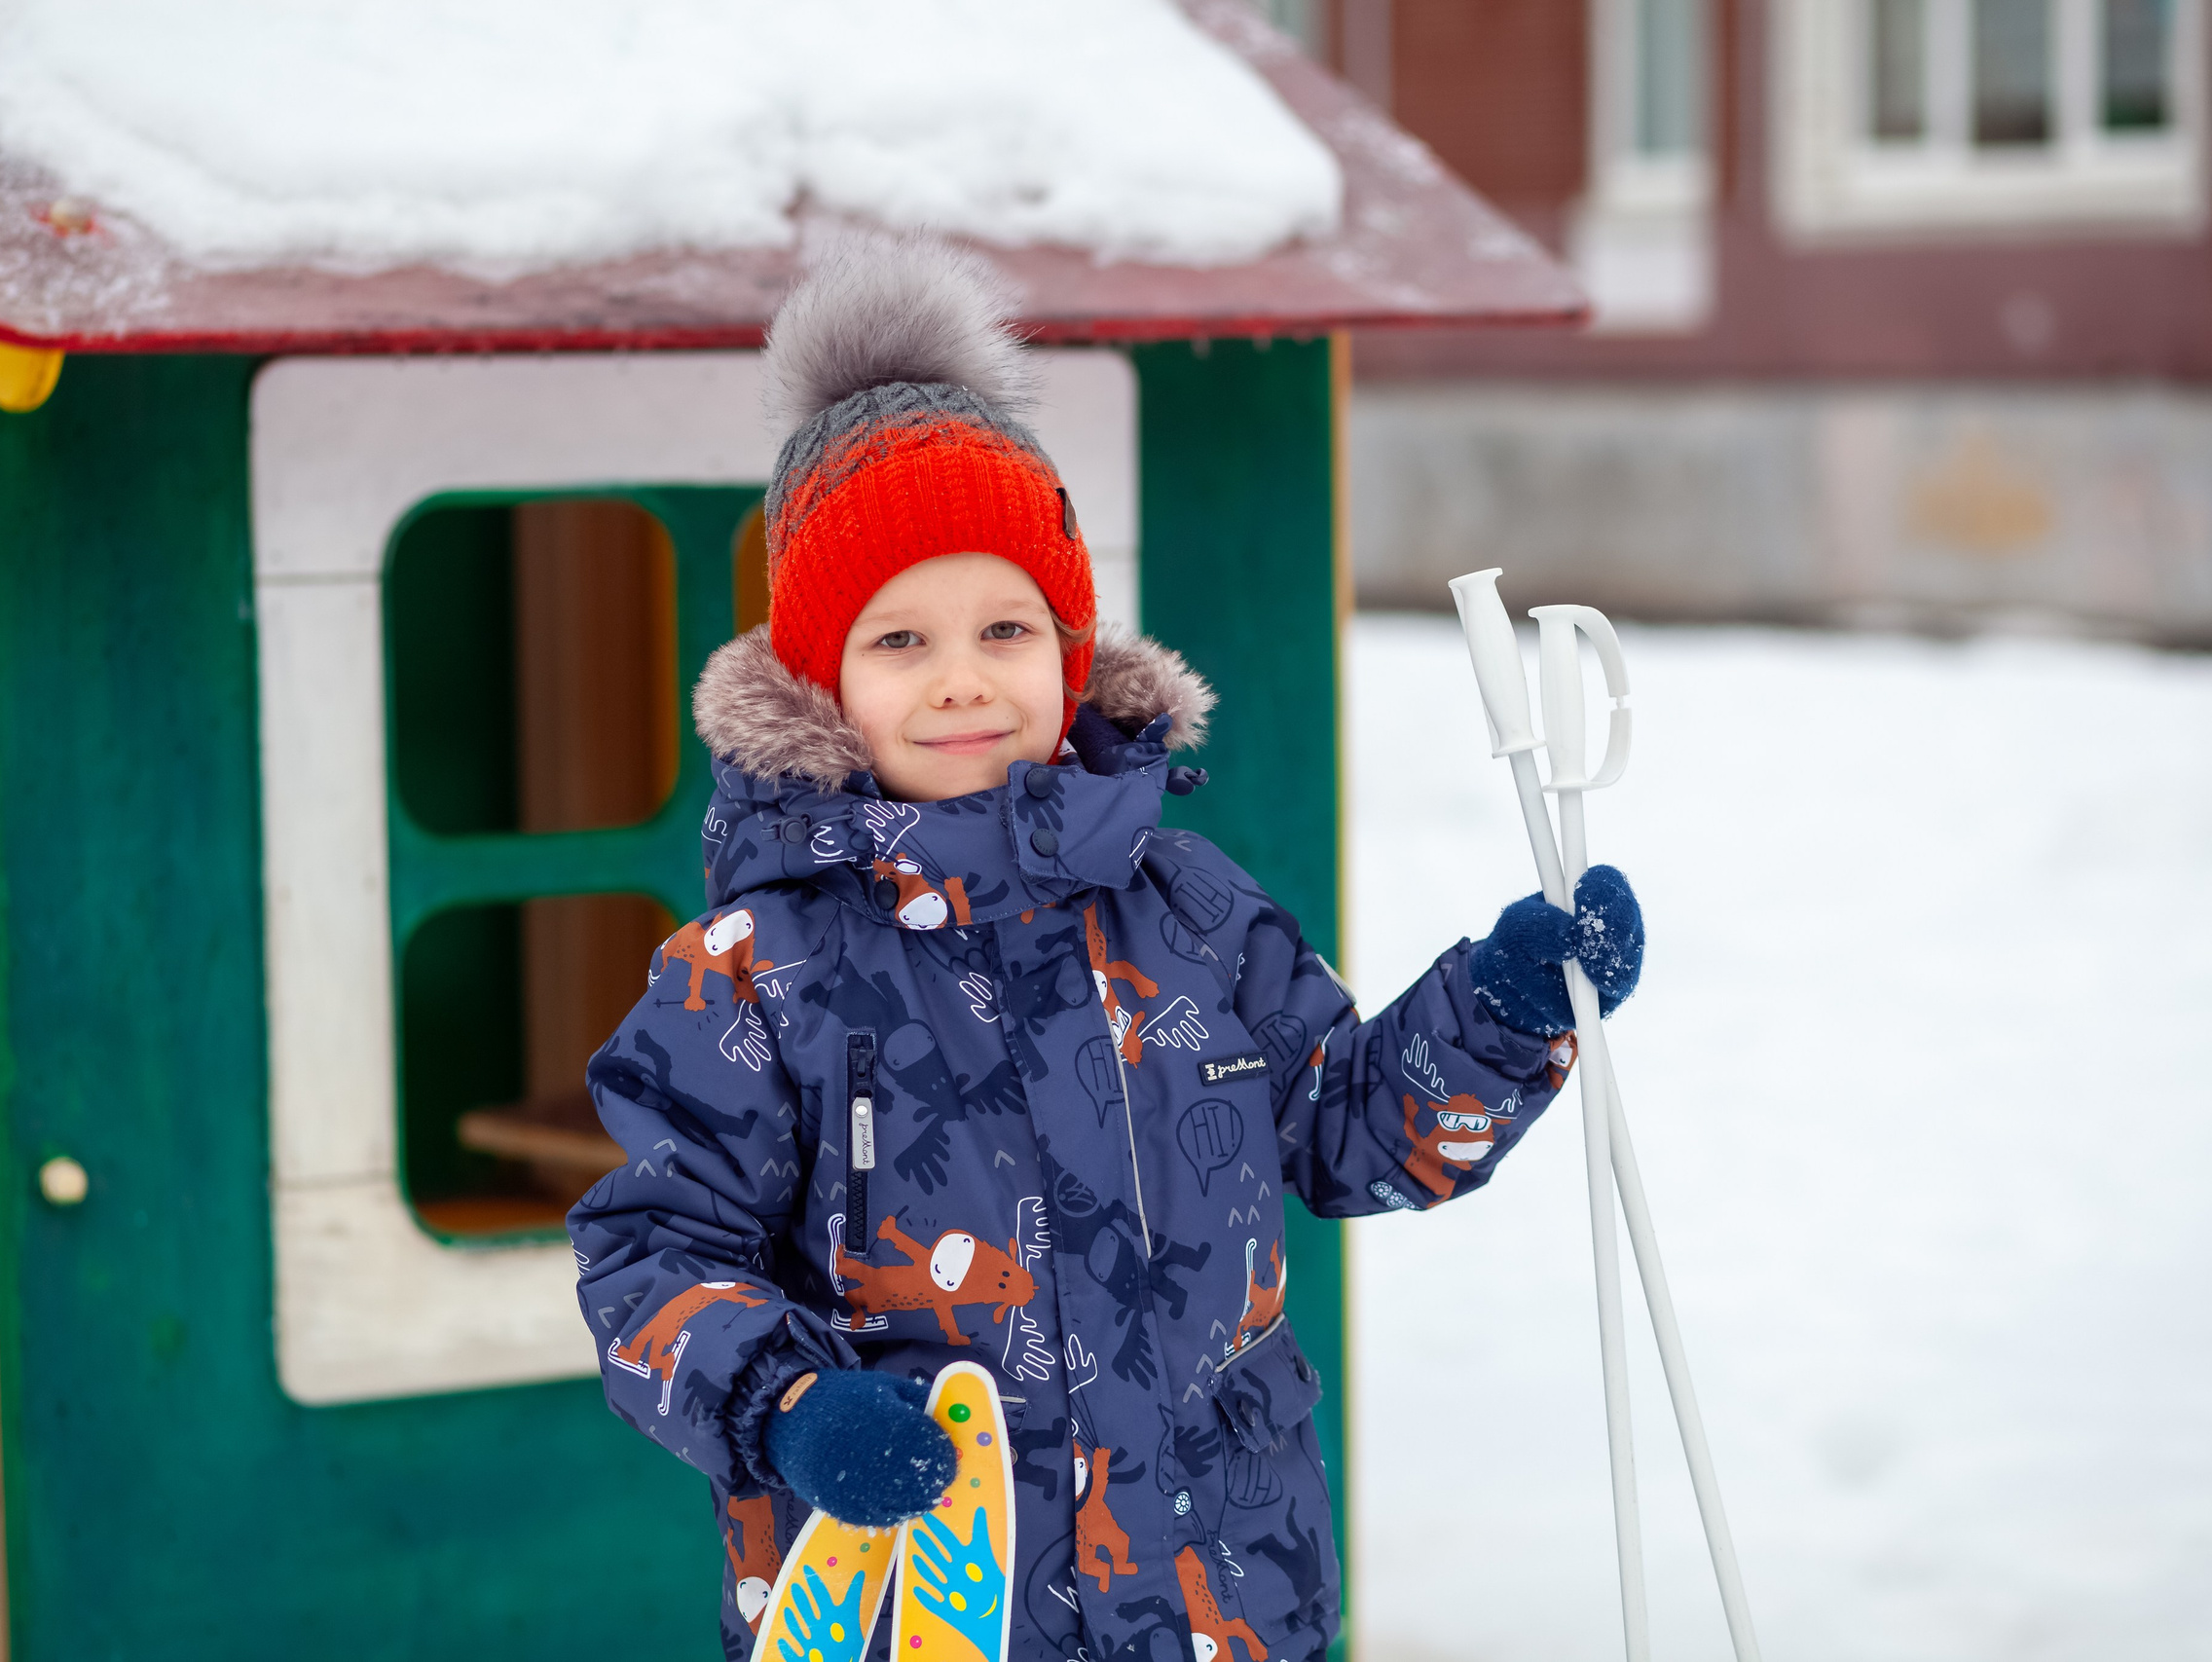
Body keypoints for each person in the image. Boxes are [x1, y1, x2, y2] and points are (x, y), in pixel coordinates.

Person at [566, 238, 1642, 1662]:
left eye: (1005, 625)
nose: (962, 676)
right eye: (900, 641)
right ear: (823, 676)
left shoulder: (1182, 905)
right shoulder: (758, 973)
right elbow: (650, 1250)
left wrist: (1502, 1011)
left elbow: (1344, 1129)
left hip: (1219, 1598)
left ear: (1068, 649)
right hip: (929, 1607)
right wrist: (787, 1404)